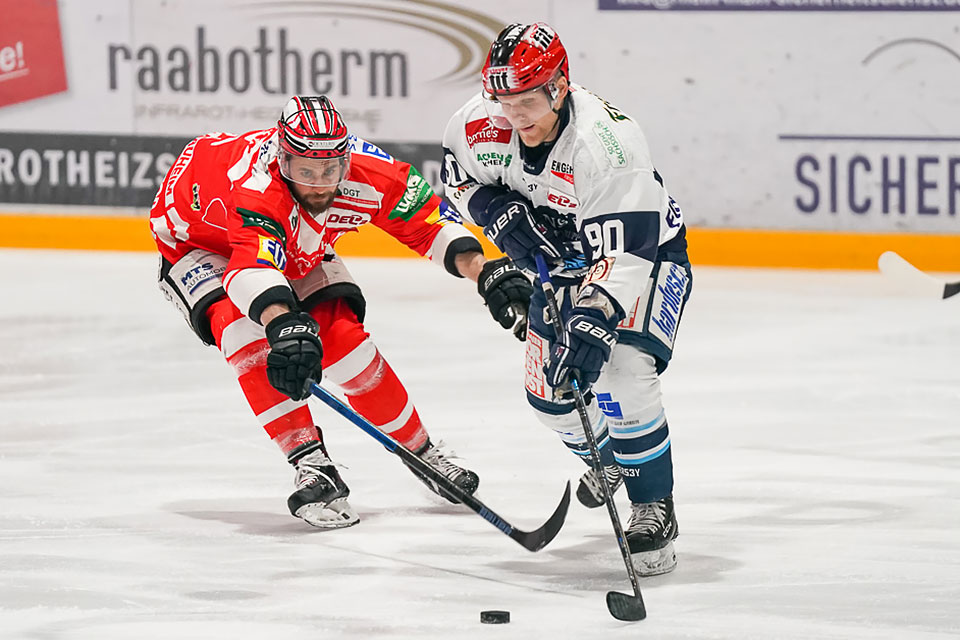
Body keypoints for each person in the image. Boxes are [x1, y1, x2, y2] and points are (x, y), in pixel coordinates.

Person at [150, 95, 524, 529]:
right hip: (197, 244)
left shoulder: (370, 172)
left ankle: (422, 453)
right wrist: (284, 325)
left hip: (289, 243)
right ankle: (311, 463)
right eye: (305, 171)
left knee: (344, 341)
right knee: (245, 335)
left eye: (330, 170)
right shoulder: (256, 187)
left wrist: (485, 272)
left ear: (346, 161)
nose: (319, 184)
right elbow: (249, 267)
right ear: (282, 159)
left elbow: (428, 224)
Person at [441, 23, 692, 575]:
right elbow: (456, 185)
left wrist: (596, 320)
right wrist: (495, 212)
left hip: (643, 259)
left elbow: (626, 252)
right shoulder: (476, 122)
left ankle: (653, 505)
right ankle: (606, 456)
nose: (515, 115)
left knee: (622, 371)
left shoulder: (608, 143)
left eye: (528, 100)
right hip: (557, 269)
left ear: (559, 86)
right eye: (504, 101)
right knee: (552, 399)